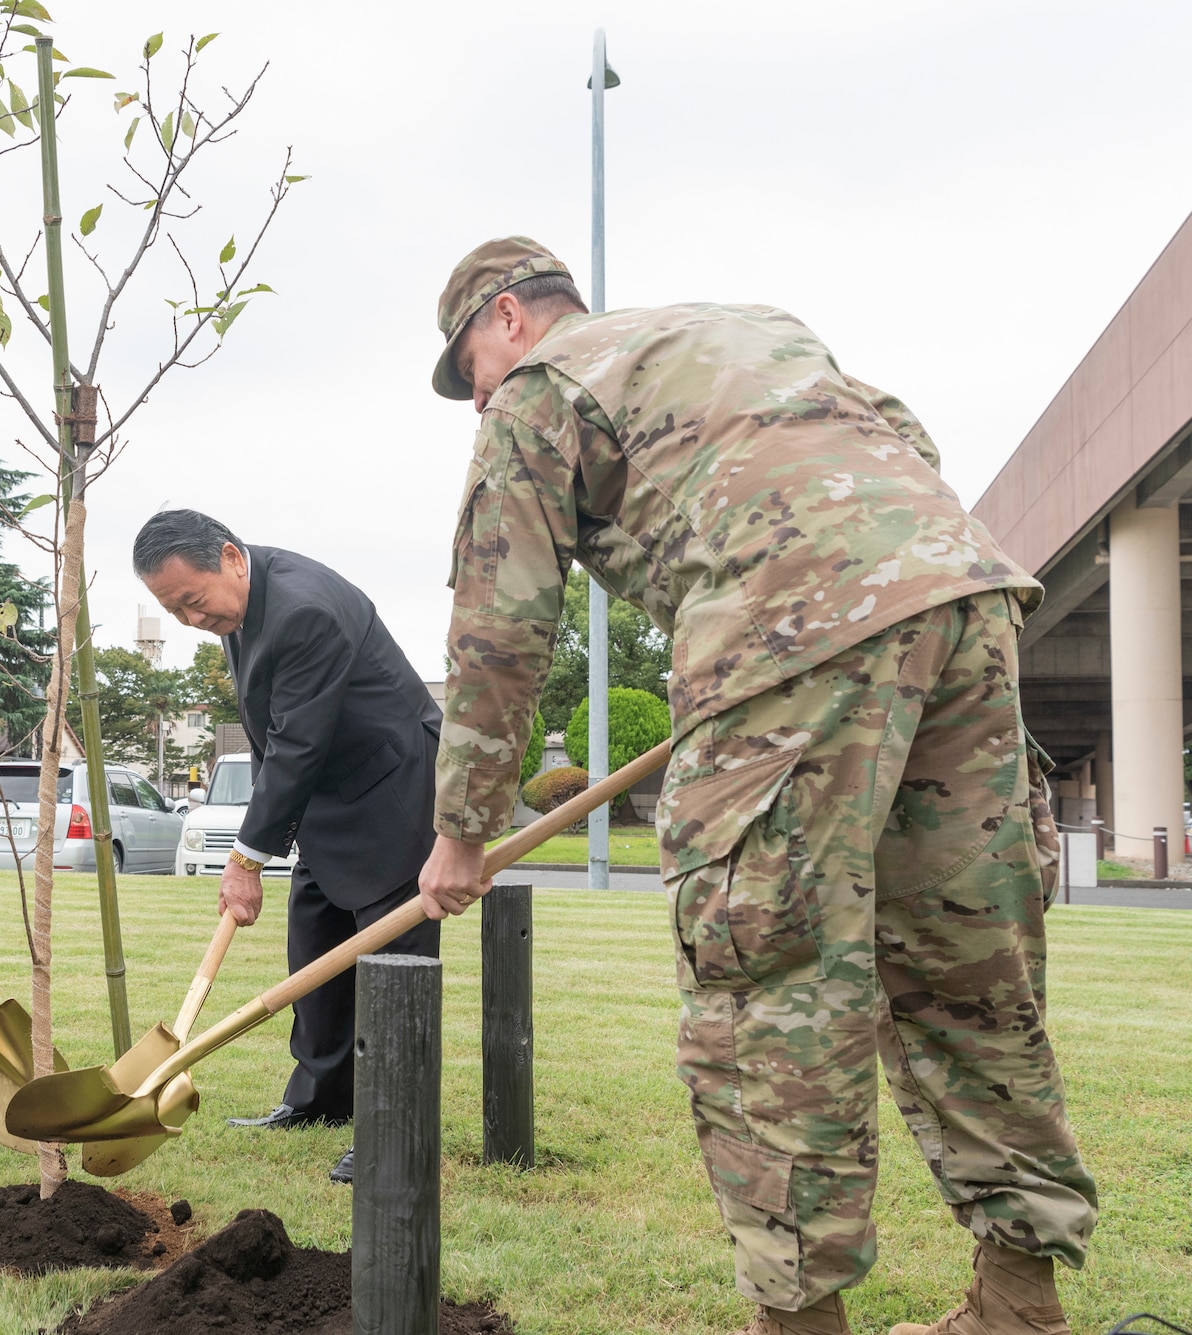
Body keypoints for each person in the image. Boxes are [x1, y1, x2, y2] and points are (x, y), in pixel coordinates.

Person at [415, 238, 1097, 1335]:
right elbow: (903, 441)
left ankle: (796, 1323)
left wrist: (462, 828)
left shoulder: (538, 394)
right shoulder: (748, 326)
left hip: (789, 631)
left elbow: (500, 626)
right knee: (969, 963)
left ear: (505, 317)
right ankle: (1018, 1306)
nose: (473, 400)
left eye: (468, 371)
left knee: (764, 982)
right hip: (960, 597)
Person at [134, 509, 441, 1183]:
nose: (190, 619)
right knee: (315, 952)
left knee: (392, 965)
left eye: (192, 601)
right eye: (173, 610)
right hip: (330, 796)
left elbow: (296, 745)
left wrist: (246, 859)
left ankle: (394, 1124)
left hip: (389, 788)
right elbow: (283, 739)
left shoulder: (302, 609)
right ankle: (320, 1099)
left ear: (230, 558)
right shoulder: (246, 605)